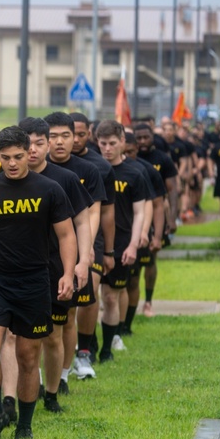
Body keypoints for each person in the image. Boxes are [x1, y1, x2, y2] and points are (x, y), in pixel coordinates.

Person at [0, 126, 77, 439]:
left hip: (34, 281)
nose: (12, 163)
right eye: (6, 158)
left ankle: (25, 425)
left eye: (18, 157)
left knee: (28, 356)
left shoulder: (49, 189)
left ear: (29, 153)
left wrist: (68, 273)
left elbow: (67, 235)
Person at [18, 117, 92, 414]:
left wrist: (82, 262)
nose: (33, 150)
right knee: (19, 335)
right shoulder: (6, 179)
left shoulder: (65, 179)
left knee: (52, 334)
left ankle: (51, 391)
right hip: (17, 269)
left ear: (48, 144)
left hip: (56, 265)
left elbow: (82, 222)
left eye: (39, 143)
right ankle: (23, 390)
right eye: (28, 144)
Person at [43, 112, 106, 390]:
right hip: (40, 251)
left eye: (65, 136)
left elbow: (91, 215)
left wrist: (85, 252)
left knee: (68, 315)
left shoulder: (88, 171)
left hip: (77, 248)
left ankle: (64, 374)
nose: (59, 142)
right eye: (53, 136)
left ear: (76, 137)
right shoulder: (29, 169)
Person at [95, 120, 149, 364]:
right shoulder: (91, 169)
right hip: (94, 244)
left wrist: (133, 245)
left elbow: (140, 213)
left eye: (112, 144)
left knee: (111, 297)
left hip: (122, 242)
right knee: (90, 300)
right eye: (103, 143)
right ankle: (85, 344)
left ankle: (109, 345)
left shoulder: (135, 174)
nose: (107, 148)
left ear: (123, 143)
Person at [68, 112, 117, 377]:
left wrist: (107, 250)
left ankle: (84, 352)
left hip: (92, 241)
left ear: (90, 133)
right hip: (57, 242)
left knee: (88, 296)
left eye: (79, 133)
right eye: (68, 134)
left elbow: (106, 212)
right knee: (66, 302)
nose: (74, 139)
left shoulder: (99, 167)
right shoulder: (47, 164)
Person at [134, 122, 178, 317]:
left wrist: (172, 219)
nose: (142, 142)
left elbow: (172, 190)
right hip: (133, 214)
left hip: (157, 212)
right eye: (139, 138)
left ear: (153, 137)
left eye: (146, 137)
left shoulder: (162, 159)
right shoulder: (128, 159)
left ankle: (148, 301)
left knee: (150, 260)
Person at [123, 133, 165, 336]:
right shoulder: (105, 168)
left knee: (133, 278)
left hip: (139, 232)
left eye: (131, 152)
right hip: (116, 234)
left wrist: (155, 235)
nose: (127, 156)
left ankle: (126, 326)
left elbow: (157, 204)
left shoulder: (145, 171)